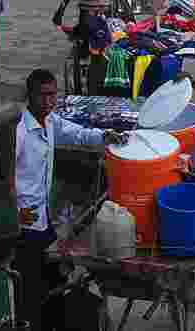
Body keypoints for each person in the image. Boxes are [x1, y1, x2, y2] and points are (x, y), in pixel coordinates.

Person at [14, 69, 128, 331]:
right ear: (29, 96)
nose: (48, 101)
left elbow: (75, 132)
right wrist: (16, 214)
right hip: (24, 219)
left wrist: (103, 136)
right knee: (32, 280)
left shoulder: (51, 121)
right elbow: (1, 175)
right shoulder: (19, 131)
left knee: (54, 273)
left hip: (41, 217)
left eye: (52, 95)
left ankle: (53, 319)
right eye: (42, 96)